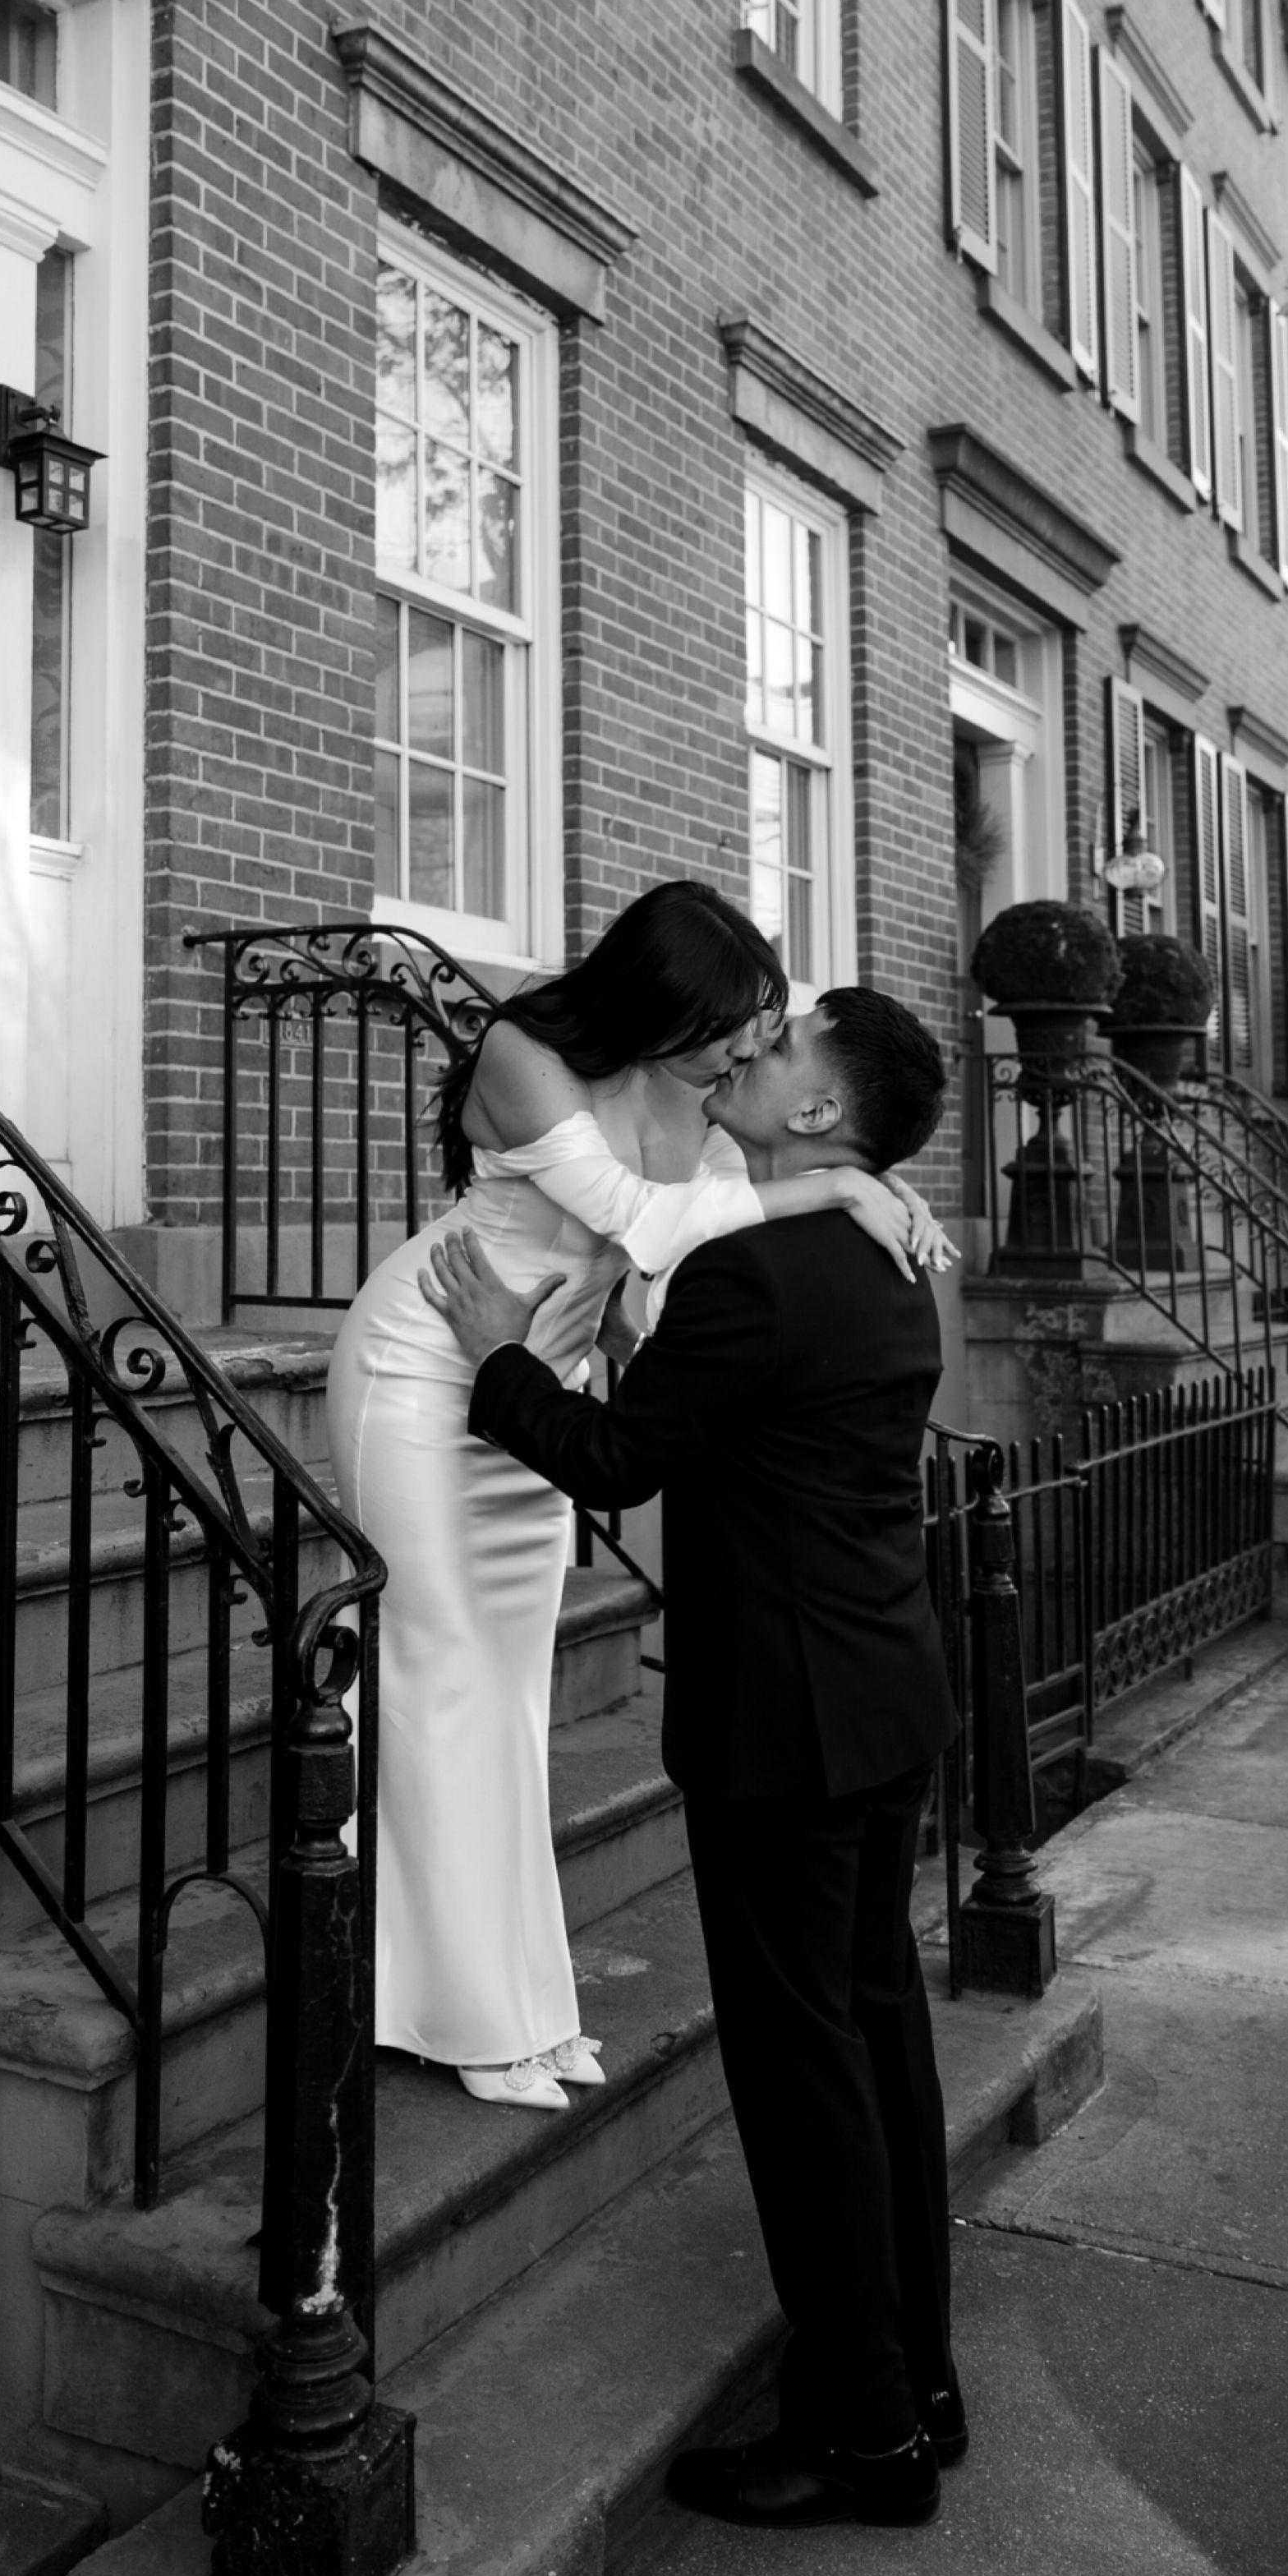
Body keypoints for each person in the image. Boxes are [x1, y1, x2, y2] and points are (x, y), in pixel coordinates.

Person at [420, 988, 964, 2532]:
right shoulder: (880, 1254)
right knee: (878, 2042)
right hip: (883, 1699)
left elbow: (615, 1462)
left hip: (783, 1731)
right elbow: (738, 1414)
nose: (749, 1049)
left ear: (818, 1113)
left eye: (781, 1045)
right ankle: (915, 2380)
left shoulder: (760, 1270)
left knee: (802, 2080)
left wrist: (497, 1353)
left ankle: (862, 2438)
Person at [329, 886, 950, 2115]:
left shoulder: (704, 1098)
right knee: (440, 1677)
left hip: (533, 1394)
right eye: (736, 1022)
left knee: (503, 1698)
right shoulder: (521, 1053)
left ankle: (509, 2002)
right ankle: (462, 2015)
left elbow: (670, 1271)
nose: (748, 1046)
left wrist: (878, 1185)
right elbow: (638, 1220)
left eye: (767, 1025)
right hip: (427, 1369)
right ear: (662, 1004)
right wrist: (838, 1190)